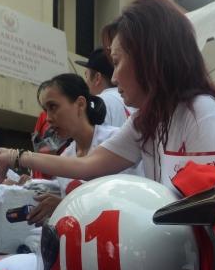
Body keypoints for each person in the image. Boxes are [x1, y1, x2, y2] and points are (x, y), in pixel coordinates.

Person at [0, 0, 215, 189]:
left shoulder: (203, 115)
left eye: (117, 63)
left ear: (150, 57)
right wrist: (16, 156)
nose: (114, 78)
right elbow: (87, 165)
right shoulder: (147, 120)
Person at [26, 73, 139, 226]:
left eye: (53, 107)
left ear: (80, 104)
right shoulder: (64, 158)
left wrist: (63, 204)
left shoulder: (117, 140)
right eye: (46, 110)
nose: (48, 118)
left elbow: (130, 201)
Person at [77, 47, 132, 128]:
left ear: (97, 78)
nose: (86, 82)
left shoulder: (96, 105)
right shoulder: (132, 104)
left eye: (86, 76)